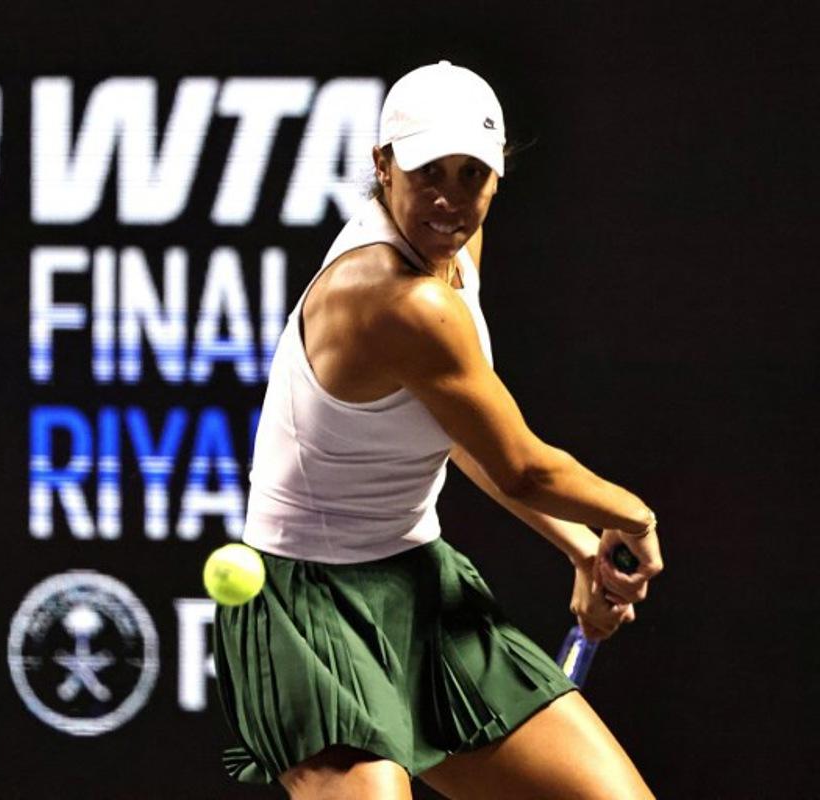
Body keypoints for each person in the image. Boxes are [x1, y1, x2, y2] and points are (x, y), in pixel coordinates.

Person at [213, 60, 664, 800]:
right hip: (309, 611)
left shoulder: (453, 254)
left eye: (472, 175)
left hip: (417, 585)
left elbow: (462, 436)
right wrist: (632, 517)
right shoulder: (398, 299)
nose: (451, 200)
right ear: (383, 165)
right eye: (429, 173)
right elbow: (524, 467)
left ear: (497, 178)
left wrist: (581, 546)